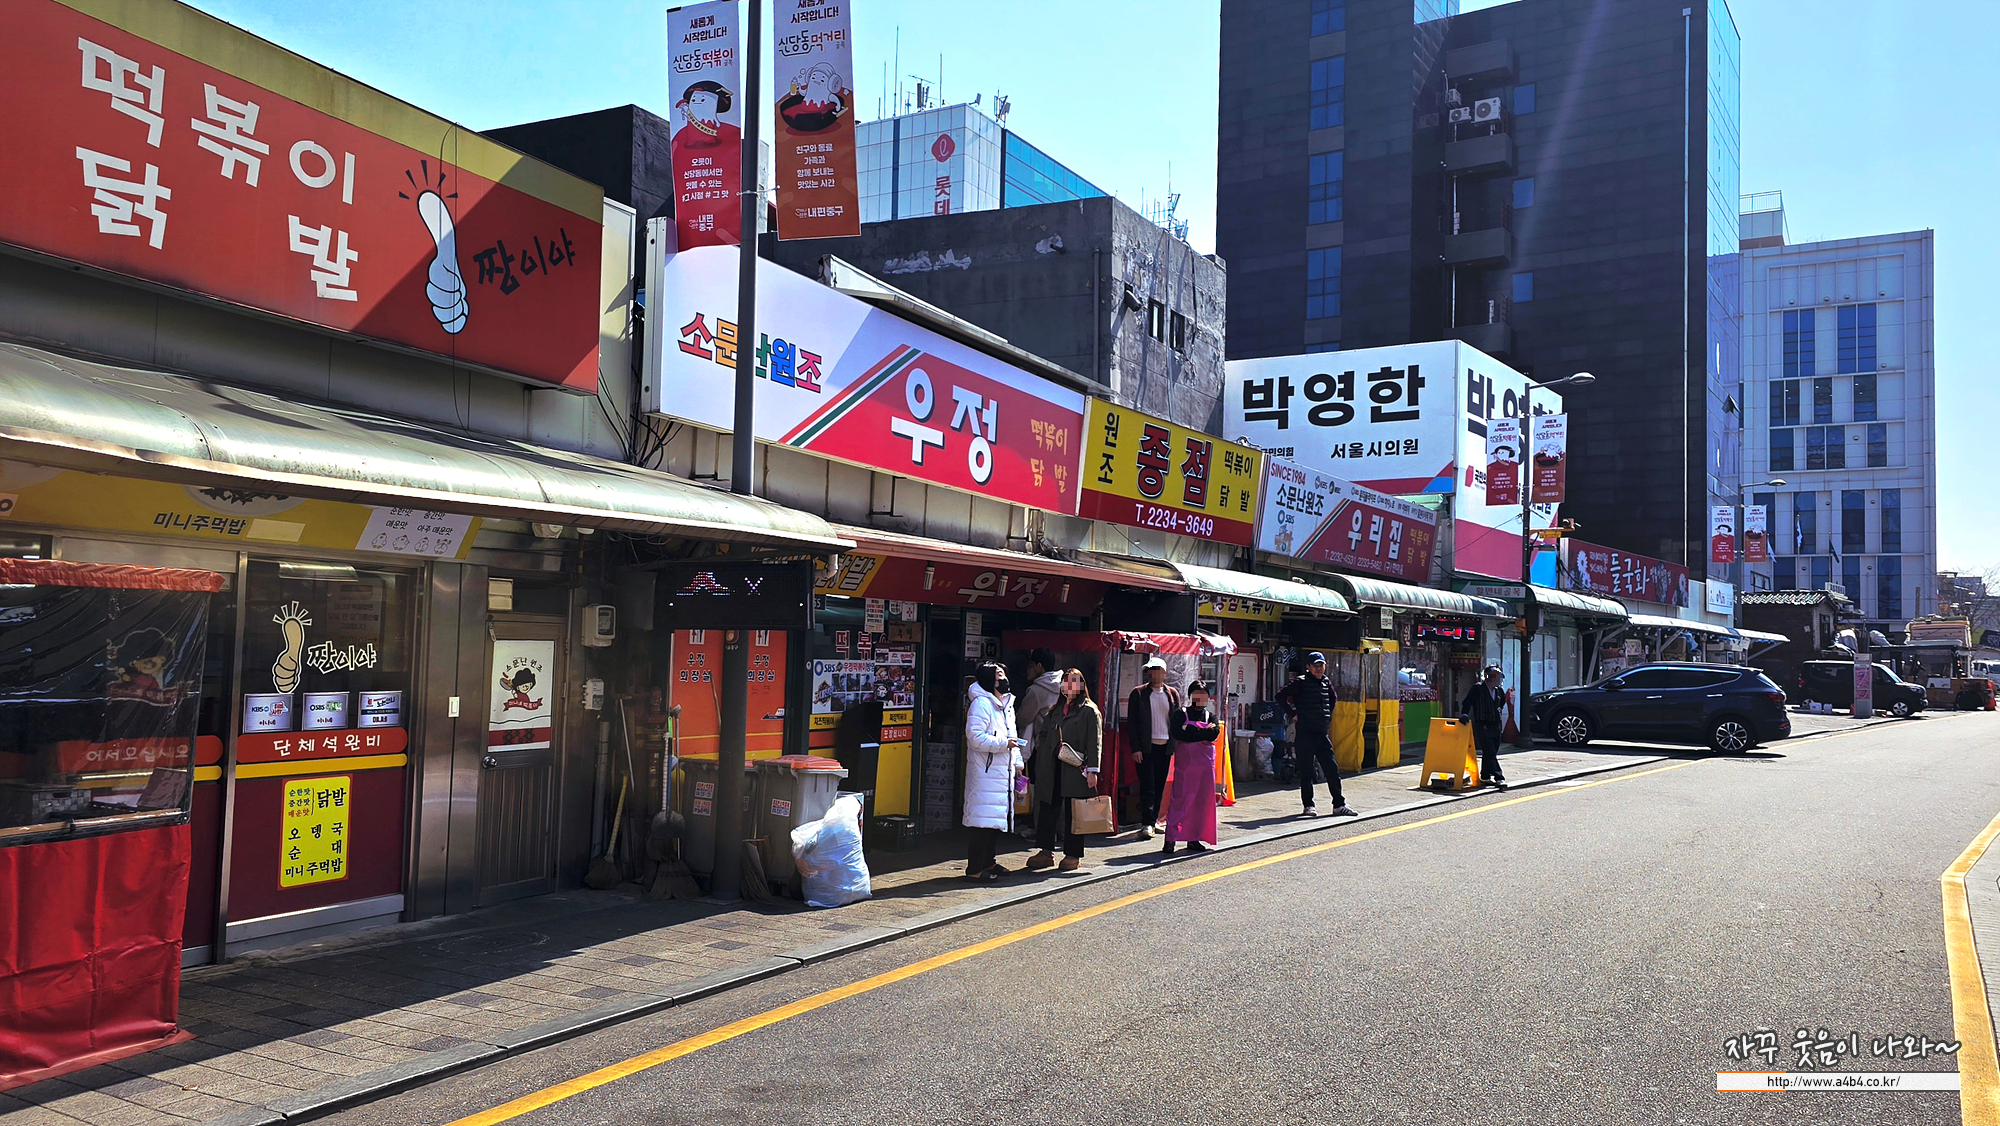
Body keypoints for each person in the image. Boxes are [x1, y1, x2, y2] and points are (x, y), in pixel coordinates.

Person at [1023, 668, 1102, 872]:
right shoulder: (1055, 710)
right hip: (1052, 767)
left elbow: (1094, 742)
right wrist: (1044, 751)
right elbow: (1042, 734)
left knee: (1074, 812)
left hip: (1076, 768)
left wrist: (1093, 770)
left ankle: (1073, 854)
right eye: (1066, 682)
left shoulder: (1089, 711)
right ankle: (1046, 851)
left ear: (1082, 686)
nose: (1069, 686)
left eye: (1074, 682)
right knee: (1048, 808)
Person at [963, 662, 1026, 881]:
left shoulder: (1006, 704)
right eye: (998, 675)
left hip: (1002, 772)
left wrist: (1018, 763)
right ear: (989, 680)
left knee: (994, 821)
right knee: (982, 822)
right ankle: (974, 869)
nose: (1003, 679)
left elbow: (1013, 736)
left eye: (1003, 674)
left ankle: (988, 862)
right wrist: (1003, 744)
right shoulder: (981, 704)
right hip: (985, 773)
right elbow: (975, 737)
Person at [1284, 652, 1356, 818]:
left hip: (1321, 733)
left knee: (1332, 769)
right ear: (1308, 667)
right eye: (1315, 666)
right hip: (1305, 733)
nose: (1319, 669)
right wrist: (1293, 713)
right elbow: (1280, 696)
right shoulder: (1301, 682)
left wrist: (1326, 716)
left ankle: (1339, 805)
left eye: (1321, 665)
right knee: (1306, 771)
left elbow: (1333, 698)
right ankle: (1308, 806)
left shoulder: (1326, 682)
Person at [1124, 657, 1183, 839]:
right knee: (1147, 785)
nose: (1152, 674)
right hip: (1145, 747)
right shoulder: (1139, 693)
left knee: (1159, 785)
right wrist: (1135, 747)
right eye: (1150, 670)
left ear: (1164, 673)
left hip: (1165, 746)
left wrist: (1176, 744)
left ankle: (1155, 819)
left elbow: (1176, 720)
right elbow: (1132, 723)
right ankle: (1146, 823)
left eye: (1156, 670)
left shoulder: (1172, 694)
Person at [1162, 681, 1223, 855]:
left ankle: (1194, 838)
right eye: (1197, 694)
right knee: (1180, 801)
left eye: (1203, 694)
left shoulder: (1211, 716)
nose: (1200, 698)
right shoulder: (1180, 714)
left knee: (1201, 803)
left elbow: (1214, 733)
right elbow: (1178, 733)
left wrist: (1190, 730)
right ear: (1190, 696)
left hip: (1205, 769)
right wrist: (1202, 733)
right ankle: (1170, 839)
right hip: (1186, 767)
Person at [1459, 664, 1510, 785]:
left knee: (1491, 752)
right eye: (1494, 676)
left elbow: (1502, 702)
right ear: (1486, 676)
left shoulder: (1499, 690)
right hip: (1483, 724)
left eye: (1498, 676)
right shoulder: (1478, 688)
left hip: (1496, 724)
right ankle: (1499, 777)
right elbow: (1467, 702)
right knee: (1490, 751)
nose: (1496, 679)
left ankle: (1485, 776)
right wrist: (1464, 714)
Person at [1016, 647, 1063, 753]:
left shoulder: (1036, 690)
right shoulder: (1062, 683)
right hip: (1061, 743)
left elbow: (1022, 720)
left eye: (1030, 665)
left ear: (1039, 666)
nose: (1027, 669)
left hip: (1044, 745)